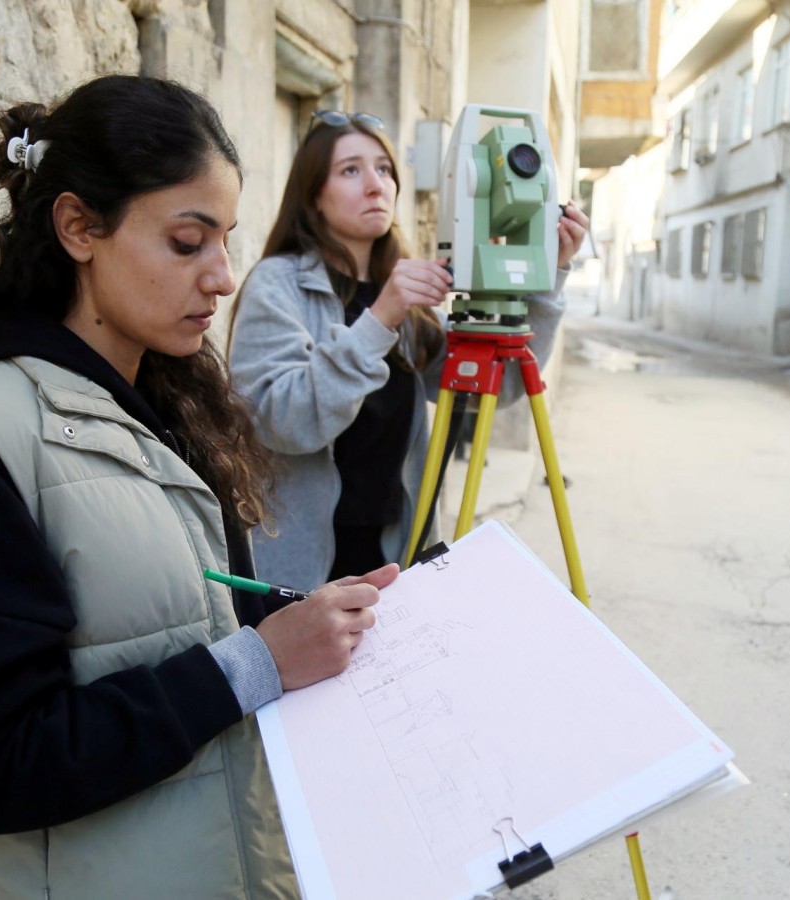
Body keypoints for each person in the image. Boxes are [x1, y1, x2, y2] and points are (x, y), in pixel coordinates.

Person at [0, 76, 391, 899]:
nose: (223, 278)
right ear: (79, 226)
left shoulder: (161, 400)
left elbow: (176, 613)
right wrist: (257, 662)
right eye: (188, 243)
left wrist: (303, 617)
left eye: (226, 239)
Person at [228, 110, 589, 590]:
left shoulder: (403, 296)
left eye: (383, 169)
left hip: (397, 558)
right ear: (313, 195)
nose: (375, 185)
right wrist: (379, 320)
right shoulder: (279, 285)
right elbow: (284, 422)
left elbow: (497, 389)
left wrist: (549, 276)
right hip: (307, 573)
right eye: (350, 170)